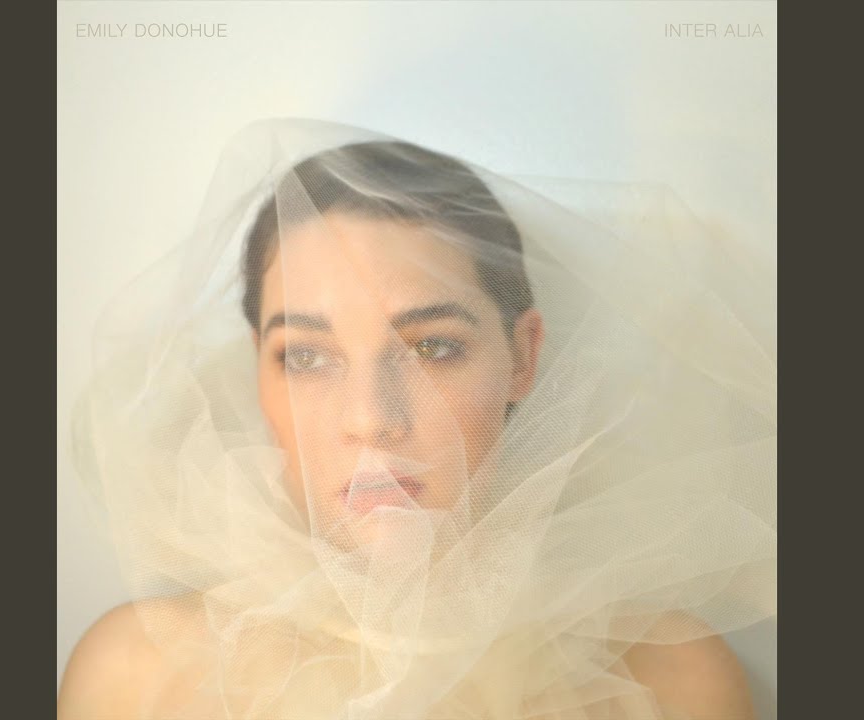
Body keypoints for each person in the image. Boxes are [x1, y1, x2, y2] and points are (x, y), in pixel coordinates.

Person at [58, 119, 776, 719]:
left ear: (523, 357)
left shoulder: (675, 680)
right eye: (306, 356)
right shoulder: (135, 677)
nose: (371, 419)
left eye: (433, 347)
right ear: (257, 367)